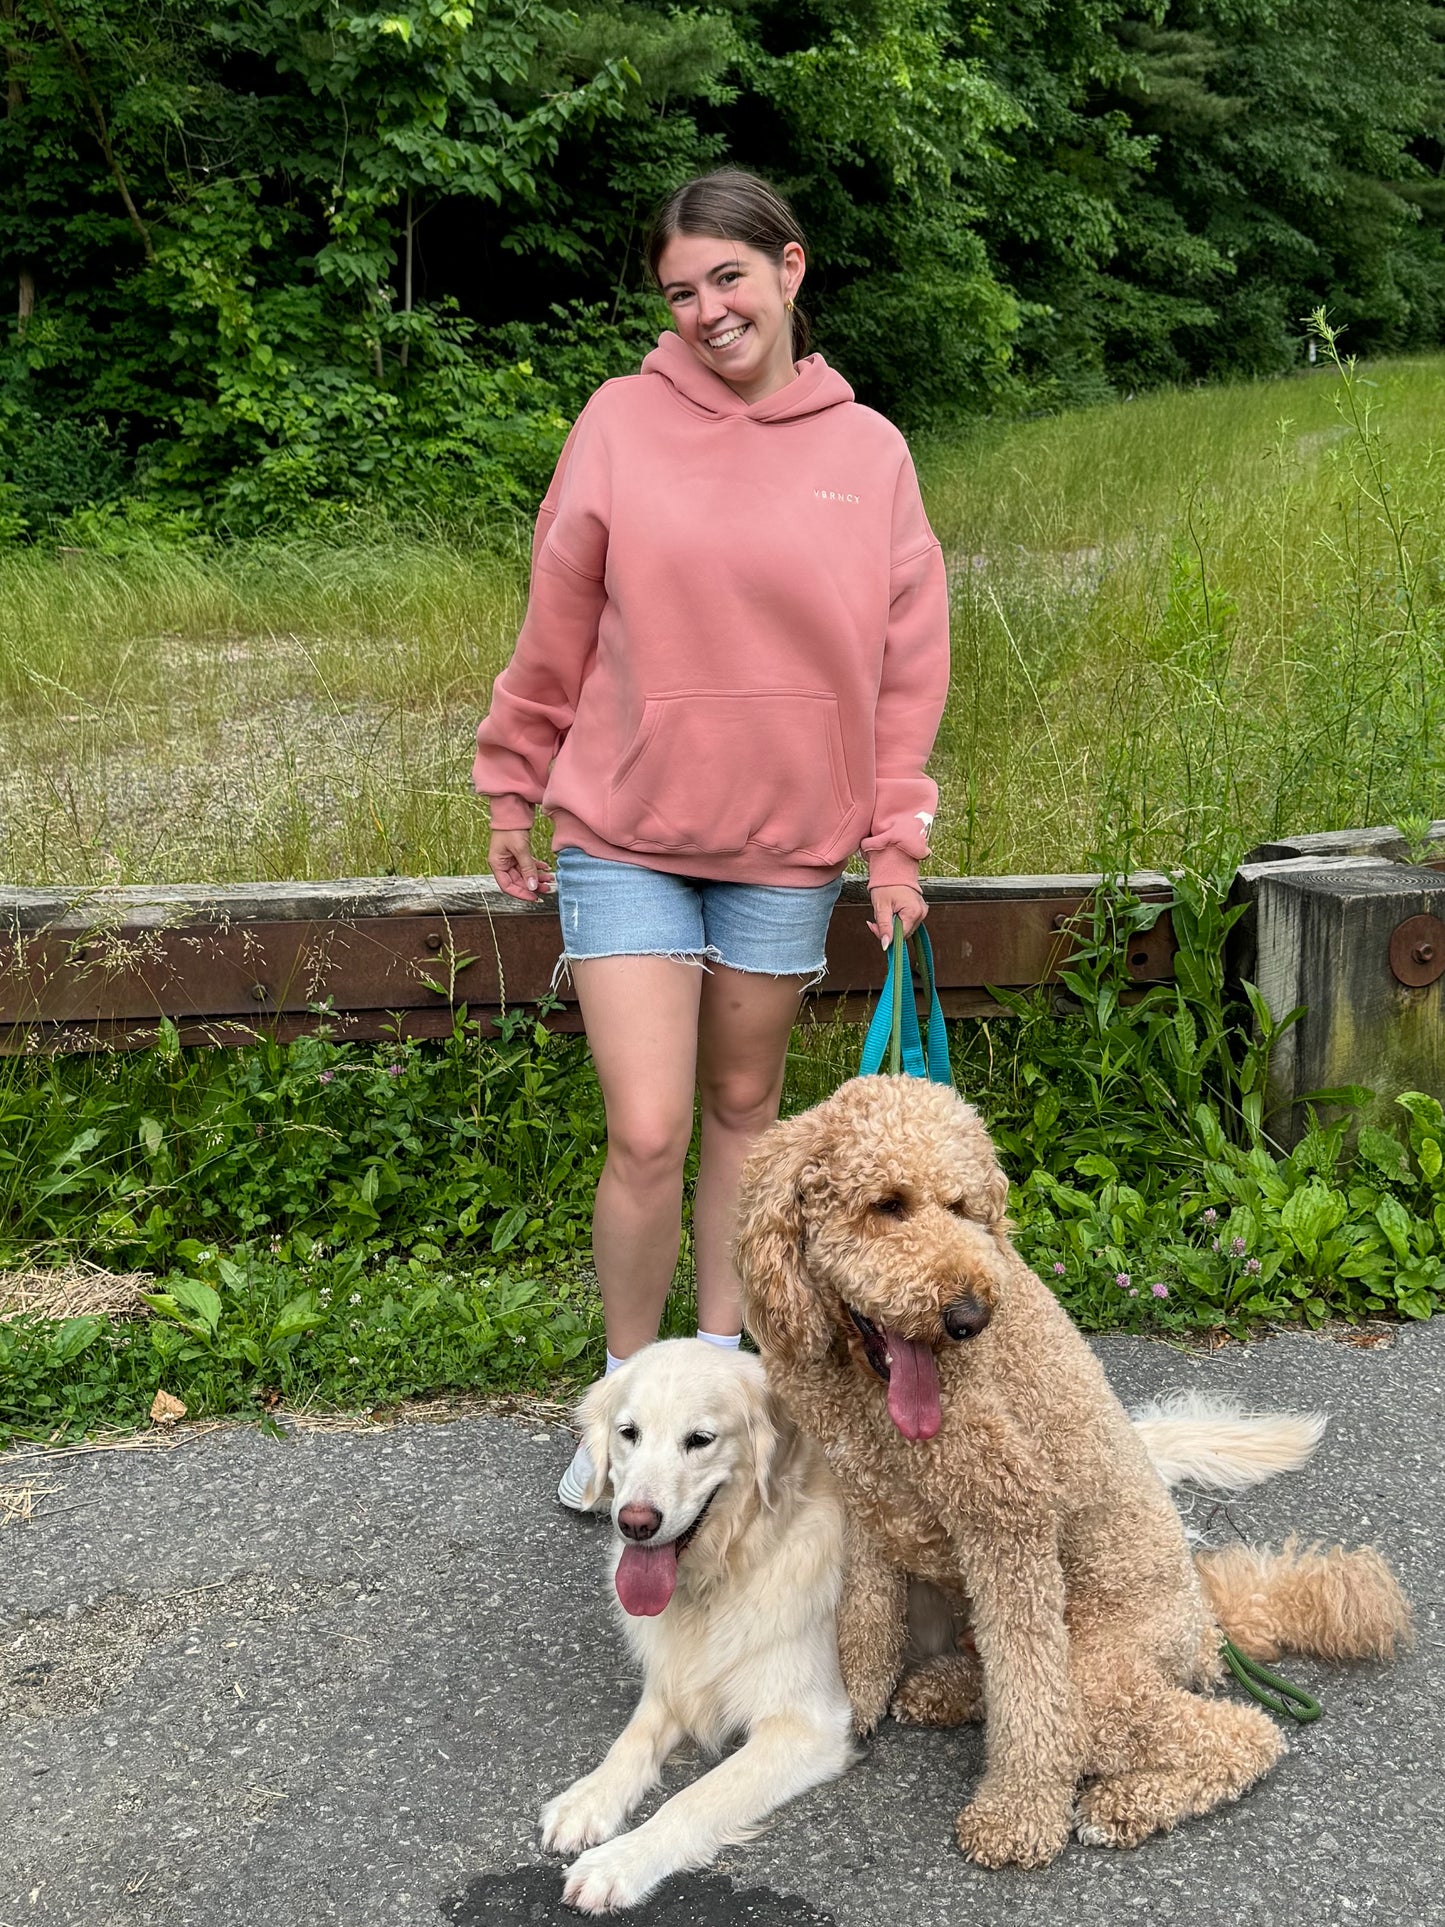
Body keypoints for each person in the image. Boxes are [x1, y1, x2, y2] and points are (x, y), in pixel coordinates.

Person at [473, 169, 950, 1508]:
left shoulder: (870, 454)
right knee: (647, 1124)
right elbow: (557, 613)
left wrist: (893, 843)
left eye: (726, 280)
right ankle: (625, 1416)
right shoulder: (621, 423)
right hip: (623, 828)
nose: (704, 311)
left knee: (746, 1116)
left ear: (788, 270)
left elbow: (909, 663)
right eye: (679, 292)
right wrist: (514, 784)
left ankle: (721, 1395)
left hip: (786, 844)